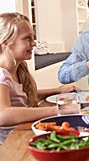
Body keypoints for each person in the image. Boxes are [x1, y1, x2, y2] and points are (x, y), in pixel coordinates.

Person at [0, 12, 76, 144]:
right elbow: (3, 114)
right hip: (9, 144)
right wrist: (56, 110)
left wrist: (58, 91)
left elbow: (20, 95)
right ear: (7, 43)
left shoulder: (18, 69)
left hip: (21, 133)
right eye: (27, 38)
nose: (34, 43)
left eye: (33, 37)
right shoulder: (1, 75)